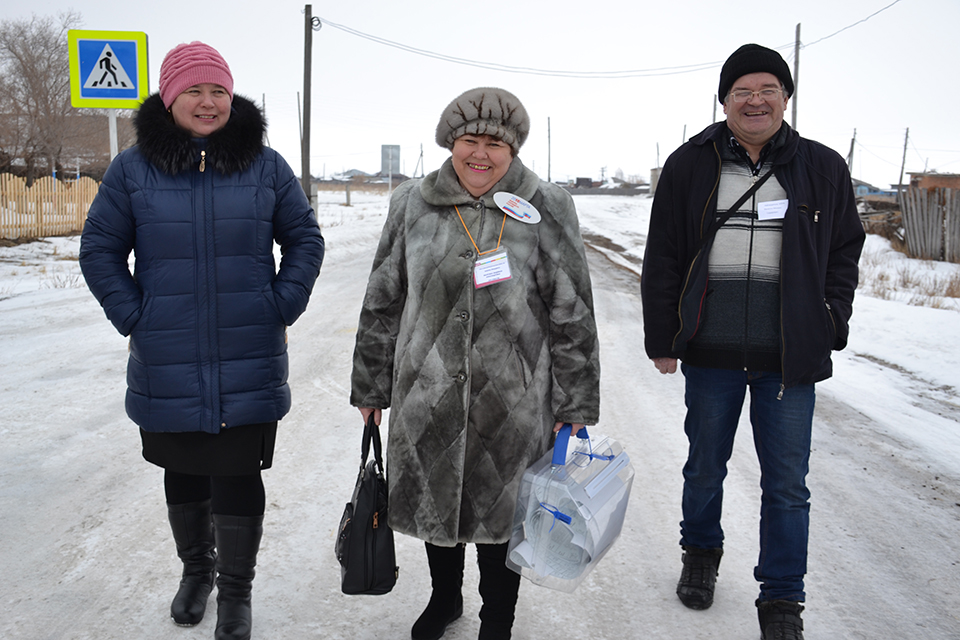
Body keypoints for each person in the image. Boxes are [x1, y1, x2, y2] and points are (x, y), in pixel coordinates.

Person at [79, 41, 324, 640]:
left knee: (238, 473)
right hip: (167, 356)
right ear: (169, 98)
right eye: (193, 90)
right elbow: (100, 251)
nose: (207, 101)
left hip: (248, 355)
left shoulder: (265, 166)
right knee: (183, 469)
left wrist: (281, 302)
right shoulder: (132, 168)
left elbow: (304, 239)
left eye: (217, 90)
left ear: (231, 95)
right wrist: (137, 316)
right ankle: (197, 573)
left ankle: (236, 593)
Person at [350, 87, 600, 640]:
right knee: (437, 509)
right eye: (470, 141)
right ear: (450, 143)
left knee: (502, 513)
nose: (480, 154)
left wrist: (575, 401)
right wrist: (371, 387)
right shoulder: (411, 203)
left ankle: (498, 619)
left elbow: (572, 311)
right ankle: (444, 600)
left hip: (512, 398)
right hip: (426, 389)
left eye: (495, 143)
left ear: (513, 150)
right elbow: (383, 299)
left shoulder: (547, 206)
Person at [640, 44, 864, 640]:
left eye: (768, 89)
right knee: (704, 467)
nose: (755, 100)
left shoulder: (821, 166)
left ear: (786, 99)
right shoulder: (691, 164)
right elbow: (662, 253)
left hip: (789, 358)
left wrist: (830, 318)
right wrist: (663, 336)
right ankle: (701, 556)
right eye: (742, 90)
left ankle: (783, 597)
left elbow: (844, 250)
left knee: (787, 483)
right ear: (724, 99)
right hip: (710, 353)